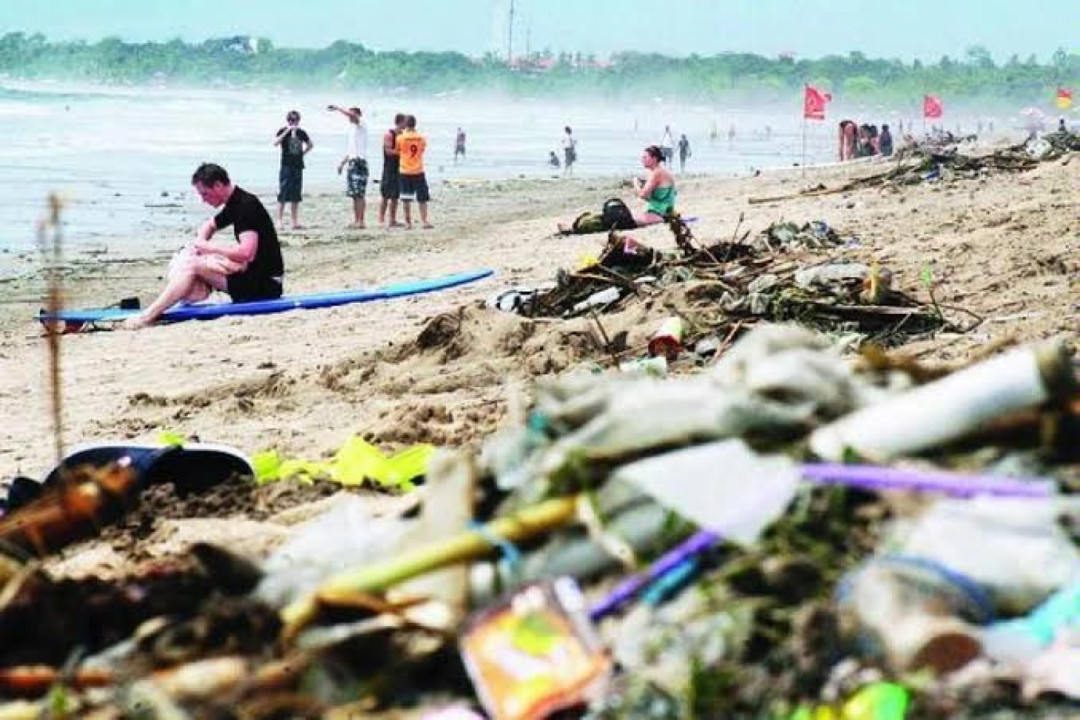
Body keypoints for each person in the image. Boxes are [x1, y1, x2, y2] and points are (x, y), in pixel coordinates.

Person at [124, 163, 283, 329]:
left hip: (265, 286)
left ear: (218, 186)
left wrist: (208, 248)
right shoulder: (236, 202)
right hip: (253, 277)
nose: (203, 200)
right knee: (193, 261)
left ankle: (147, 316)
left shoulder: (246, 207)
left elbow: (246, 253)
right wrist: (198, 247)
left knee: (192, 266)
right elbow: (210, 225)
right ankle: (185, 295)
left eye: (205, 194)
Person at [328, 104, 368, 228]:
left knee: (359, 194)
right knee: (354, 194)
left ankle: (361, 220)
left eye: (352, 114)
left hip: (359, 162)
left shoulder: (362, 124)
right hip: (352, 161)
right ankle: (357, 220)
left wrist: (338, 108)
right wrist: (342, 163)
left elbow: (353, 116)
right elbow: (350, 150)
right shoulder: (351, 130)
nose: (349, 117)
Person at [273, 110, 312, 230]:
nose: (293, 122)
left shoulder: (301, 133)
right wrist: (288, 130)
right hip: (286, 165)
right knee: (283, 192)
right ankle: (279, 221)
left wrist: (302, 154)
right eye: (291, 120)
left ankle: (294, 221)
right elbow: (275, 142)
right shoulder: (283, 131)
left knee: (296, 194)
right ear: (288, 120)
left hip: (298, 165)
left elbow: (310, 145)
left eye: (295, 120)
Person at [396, 115, 432, 229]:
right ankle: (424, 221)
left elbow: (398, 151)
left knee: (406, 199)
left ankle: (408, 223)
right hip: (418, 169)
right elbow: (421, 150)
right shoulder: (421, 138)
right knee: (422, 198)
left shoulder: (400, 138)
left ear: (406, 124)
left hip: (405, 170)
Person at [631, 145, 677, 226]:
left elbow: (642, 195)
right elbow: (651, 197)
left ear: (654, 159)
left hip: (660, 213)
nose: (642, 160)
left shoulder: (657, 173)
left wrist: (635, 183)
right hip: (664, 212)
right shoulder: (660, 171)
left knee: (626, 220)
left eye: (645, 157)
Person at [379, 113, 406, 227]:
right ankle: (381, 218)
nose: (406, 124)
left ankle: (392, 220)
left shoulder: (404, 135)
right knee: (385, 195)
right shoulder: (389, 134)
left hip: (400, 168)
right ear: (400, 122)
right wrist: (404, 152)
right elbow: (388, 151)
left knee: (395, 196)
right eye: (405, 121)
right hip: (389, 168)